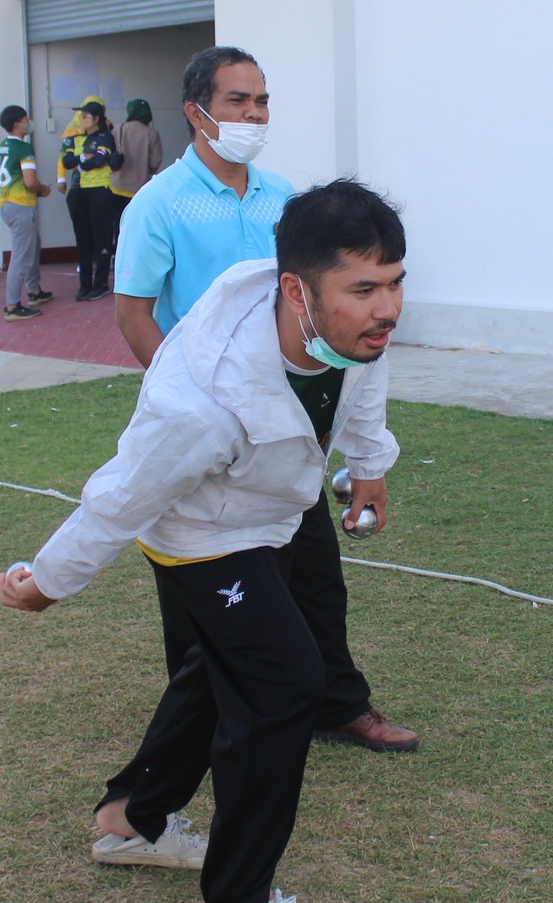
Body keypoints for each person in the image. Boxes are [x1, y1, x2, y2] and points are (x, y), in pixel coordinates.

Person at [0, 180, 408, 903]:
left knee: (219, 668)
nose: (385, 308)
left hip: (273, 511)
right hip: (201, 534)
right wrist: (45, 582)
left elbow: (365, 373)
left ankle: (133, 818)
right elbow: (120, 498)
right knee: (286, 680)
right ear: (298, 289)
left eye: (394, 282)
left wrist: (370, 465)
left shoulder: (347, 328)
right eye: (363, 289)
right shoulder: (201, 401)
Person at [115, 46, 417, 754]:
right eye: (237, 102)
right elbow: (133, 313)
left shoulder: (285, 196)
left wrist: (364, 453)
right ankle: (203, 730)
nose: (253, 114)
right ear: (197, 113)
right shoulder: (161, 203)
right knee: (206, 596)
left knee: (315, 575)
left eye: (262, 101)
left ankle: (339, 702)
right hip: (207, 429)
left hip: (287, 426)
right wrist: (194, 406)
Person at [0, 104, 53, 322]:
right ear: (18, 123)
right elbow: (30, 181)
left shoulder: (1, 148)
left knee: (32, 245)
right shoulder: (24, 149)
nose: (29, 122)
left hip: (6, 204)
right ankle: (12, 306)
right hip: (21, 206)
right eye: (26, 119)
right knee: (21, 256)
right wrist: (43, 190)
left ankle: (35, 290)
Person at [61, 99, 123, 301]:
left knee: (102, 238)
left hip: (100, 191)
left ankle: (101, 283)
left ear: (96, 119)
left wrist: (82, 161)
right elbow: (66, 160)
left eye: (84, 115)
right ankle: (84, 284)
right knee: (83, 238)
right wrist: (83, 160)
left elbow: (100, 160)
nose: (80, 119)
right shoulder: (76, 138)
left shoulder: (105, 137)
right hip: (80, 192)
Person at [109, 98, 164, 252]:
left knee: (117, 223)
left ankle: (118, 254)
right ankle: (136, 254)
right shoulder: (152, 134)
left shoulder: (118, 129)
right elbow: (155, 160)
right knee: (138, 224)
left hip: (117, 186)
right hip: (140, 188)